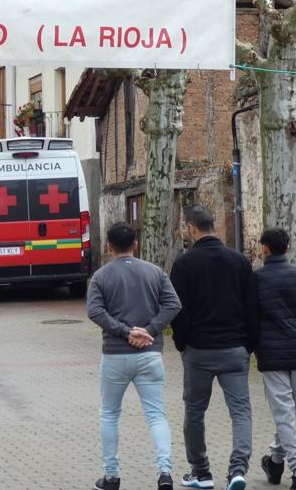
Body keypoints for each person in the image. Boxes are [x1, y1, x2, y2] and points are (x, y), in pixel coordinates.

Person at [87, 222, 182, 490]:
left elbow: (94, 311)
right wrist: (149, 330)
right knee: (156, 415)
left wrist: (124, 331)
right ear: (136, 245)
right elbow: (174, 304)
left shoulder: (101, 277)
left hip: (115, 355)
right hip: (150, 355)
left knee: (109, 414)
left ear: (108, 246)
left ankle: (111, 476)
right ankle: (164, 472)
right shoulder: (155, 272)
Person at [170, 206, 258, 490]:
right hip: (235, 348)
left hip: (199, 350)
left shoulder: (184, 264)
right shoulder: (240, 261)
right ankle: (237, 470)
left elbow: (177, 310)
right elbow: (251, 306)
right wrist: (249, 344)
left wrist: (182, 343)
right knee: (241, 411)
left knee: (194, 411)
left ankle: (201, 472)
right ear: (214, 225)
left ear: (192, 228)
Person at [253, 228, 296, 490]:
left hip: (271, 353)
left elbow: (252, 319)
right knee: (288, 412)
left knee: (285, 413)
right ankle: (275, 461)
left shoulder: (255, 279)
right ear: (287, 247)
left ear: (264, 248)